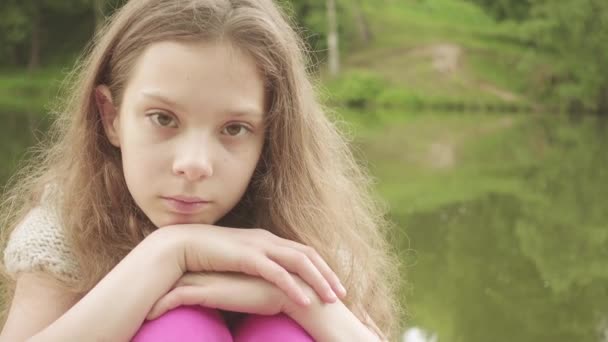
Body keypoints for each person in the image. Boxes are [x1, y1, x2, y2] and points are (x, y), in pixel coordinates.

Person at [0, 0, 402, 340]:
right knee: (180, 328)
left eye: (234, 128)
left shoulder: (304, 231)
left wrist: (308, 305)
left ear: (271, 137)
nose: (194, 165)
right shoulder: (68, 226)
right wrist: (169, 252)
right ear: (111, 117)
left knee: (282, 329)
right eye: (163, 118)